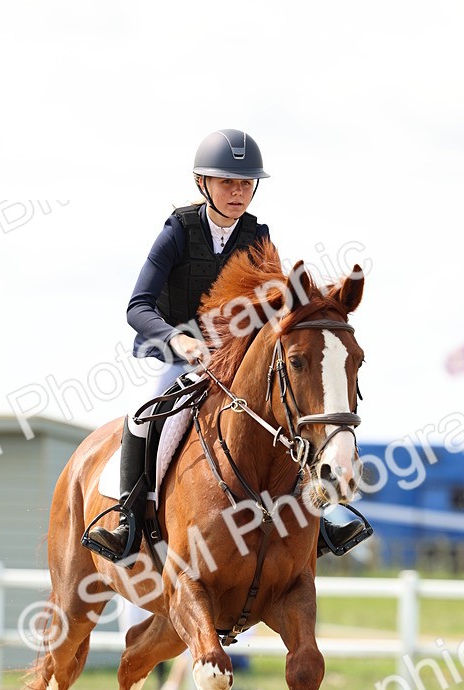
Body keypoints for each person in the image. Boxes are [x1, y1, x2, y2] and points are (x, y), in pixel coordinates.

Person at [87, 127, 367, 562]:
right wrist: (177, 339)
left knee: (292, 412)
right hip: (176, 359)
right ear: (204, 184)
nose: (238, 192)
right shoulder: (178, 232)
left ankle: (324, 511)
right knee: (145, 416)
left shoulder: (258, 236)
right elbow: (137, 307)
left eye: (245, 183)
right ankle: (126, 519)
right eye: (227, 182)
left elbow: (277, 307)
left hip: (232, 363)